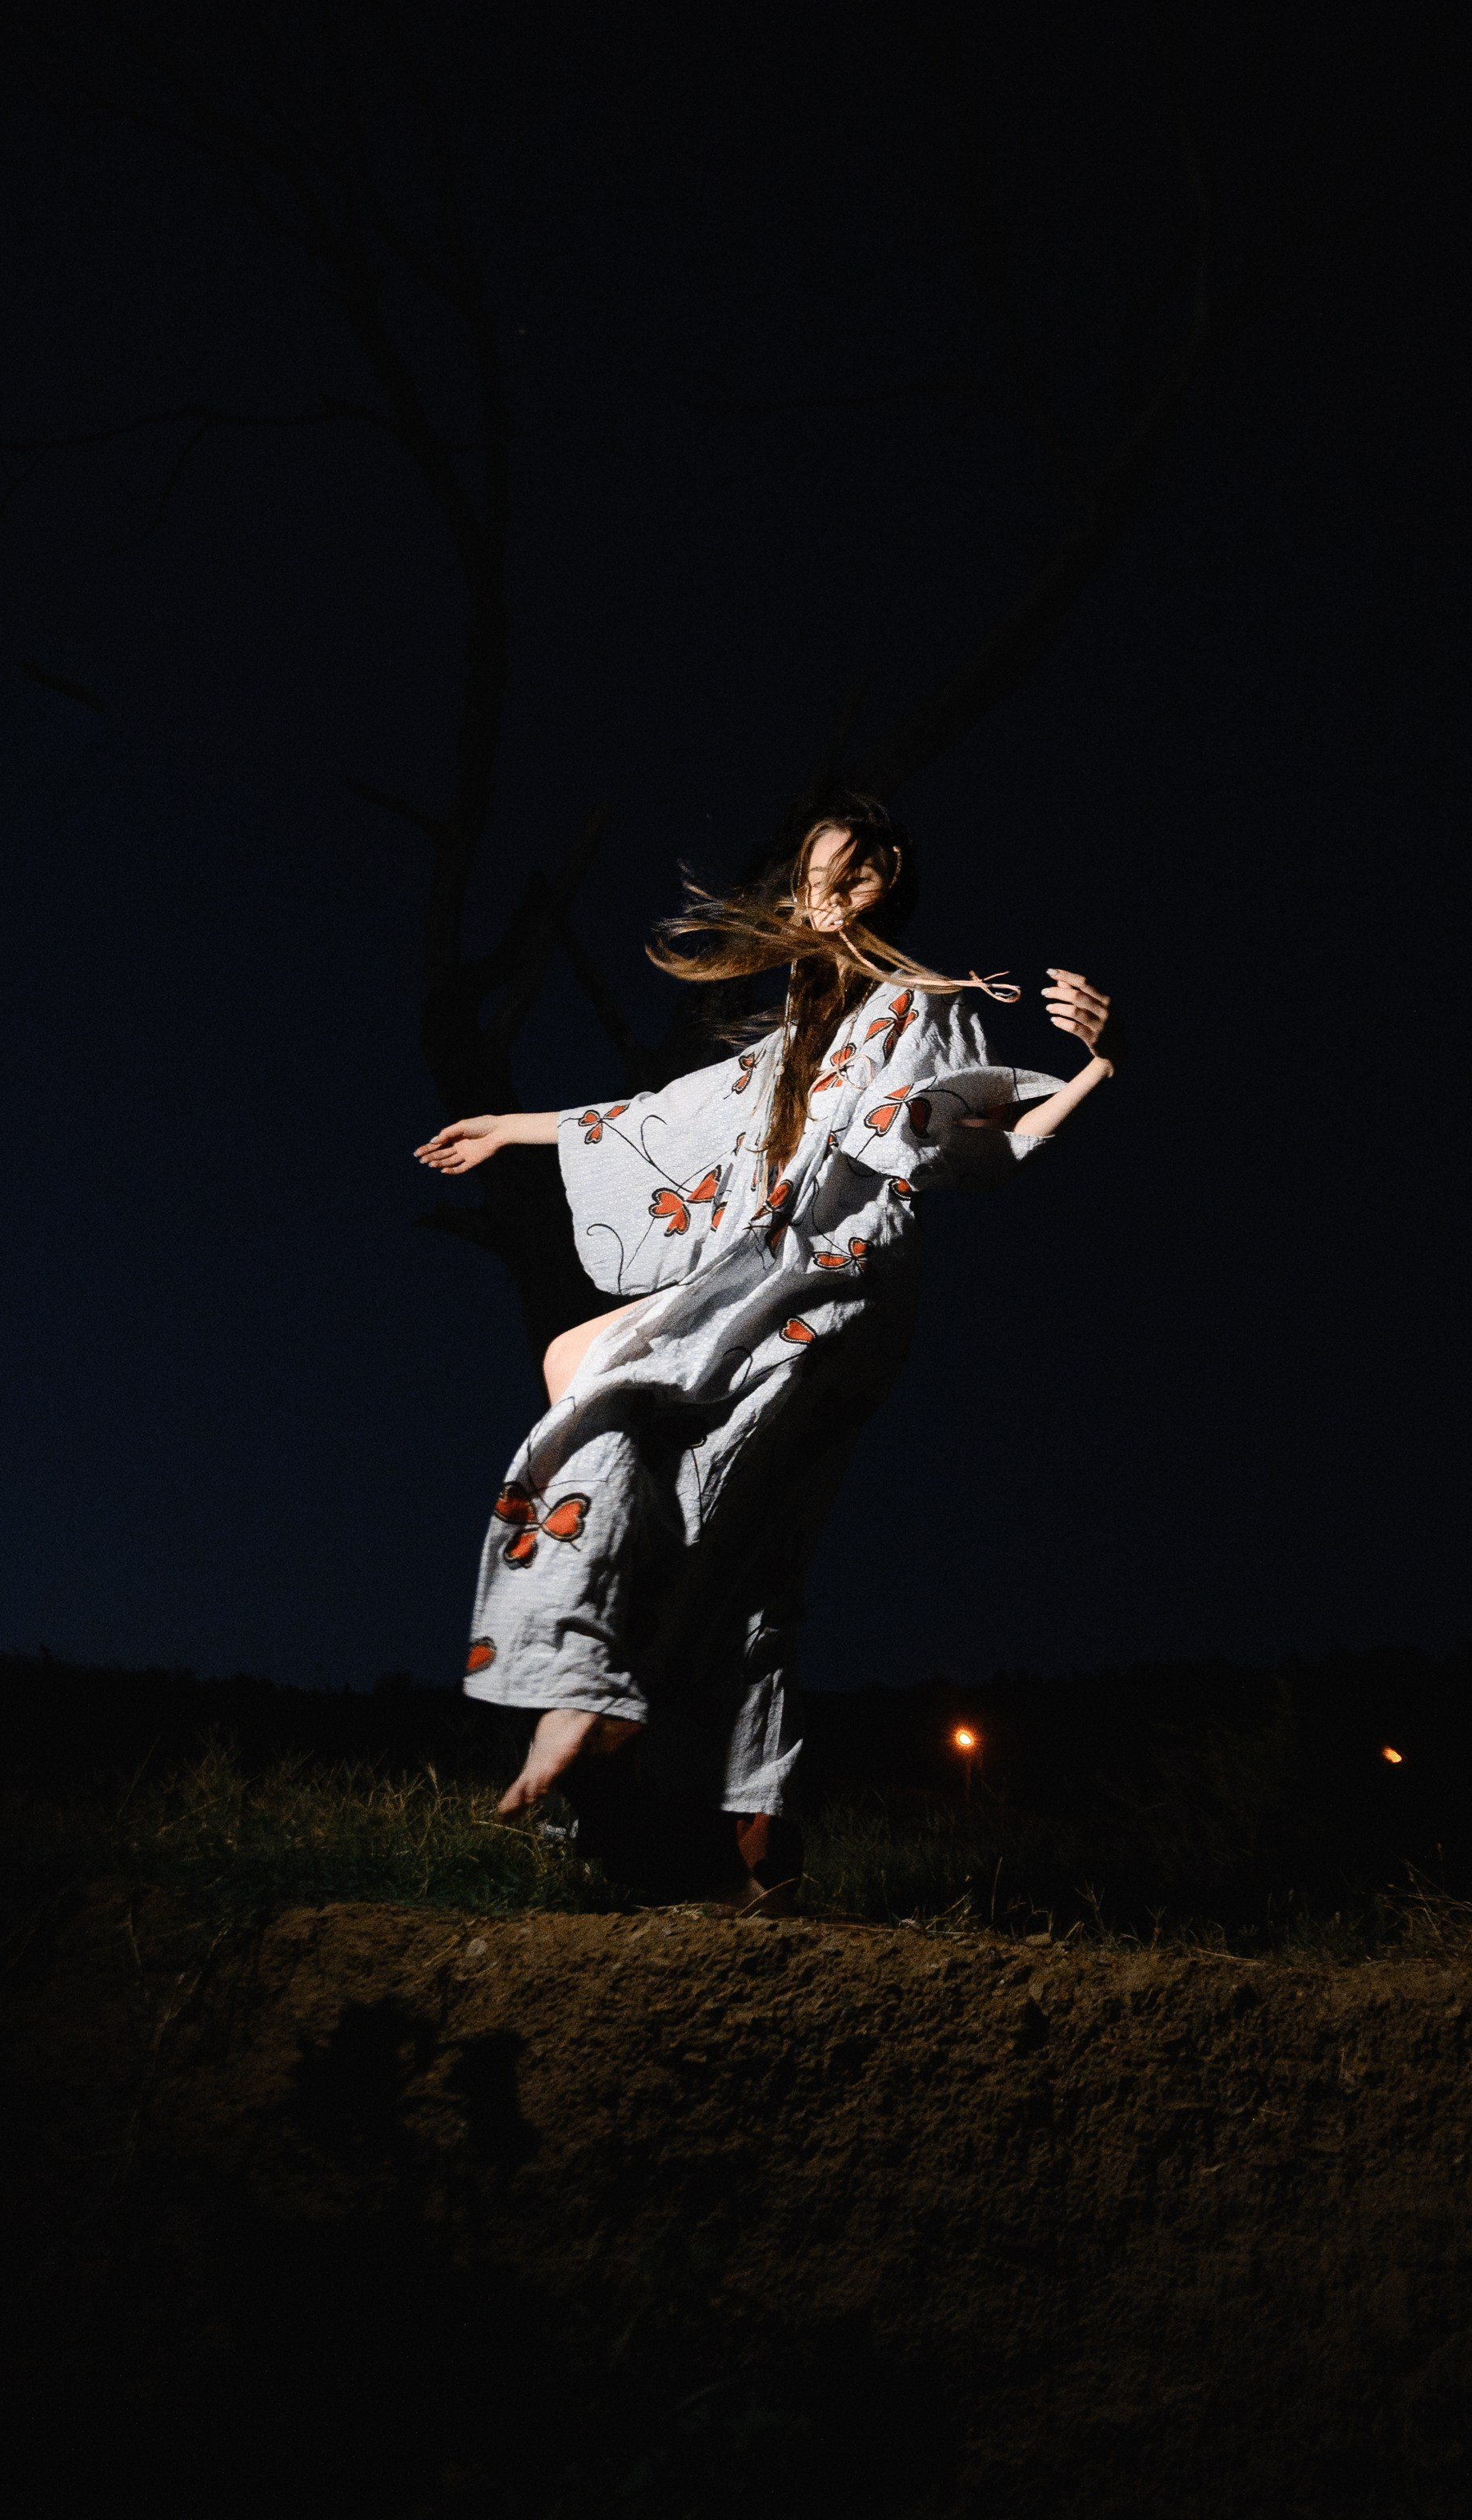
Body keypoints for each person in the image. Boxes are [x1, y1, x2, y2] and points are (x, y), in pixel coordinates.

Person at [415, 798, 1118, 1908]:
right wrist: (515, 1128)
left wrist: (1093, 1072)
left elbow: (981, 1146)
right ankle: (750, 1848)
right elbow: (657, 1121)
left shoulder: (918, 1005)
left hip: (835, 1286)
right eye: (792, 879)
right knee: (643, 1434)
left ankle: (591, 1698)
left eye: (822, 870)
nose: (802, 892)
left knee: (670, 1469)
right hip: (765, 1281)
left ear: (877, 874)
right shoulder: (793, 1044)